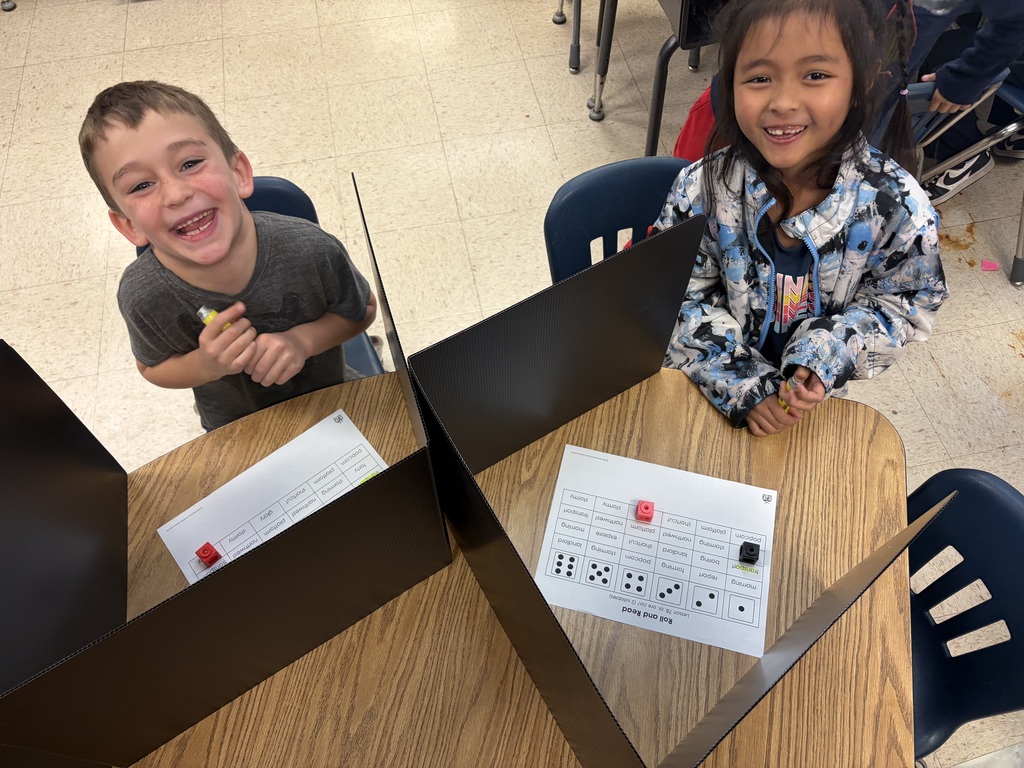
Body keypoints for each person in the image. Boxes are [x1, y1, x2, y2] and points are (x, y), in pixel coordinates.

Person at [653, 0, 948, 437]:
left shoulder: (898, 207)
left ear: (860, 83)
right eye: (759, 78)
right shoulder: (701, 188)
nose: (783, 102)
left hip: (808, 412)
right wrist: (741, 380)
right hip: (704, 391)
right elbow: (670, 295)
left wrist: (827, 353)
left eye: (815, 75)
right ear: (729, 85)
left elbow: (906, 304)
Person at [79, 81, 378, 431]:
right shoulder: (142, 295)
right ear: (129, 224)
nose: (176, 194)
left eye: (189, 163)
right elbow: (151, 367)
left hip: (332, 400)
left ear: (238, 173)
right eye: (141, 185)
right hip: (233, 427)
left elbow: (364, 308)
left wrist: (302, 341)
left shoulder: (311, 248)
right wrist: (207, 365)